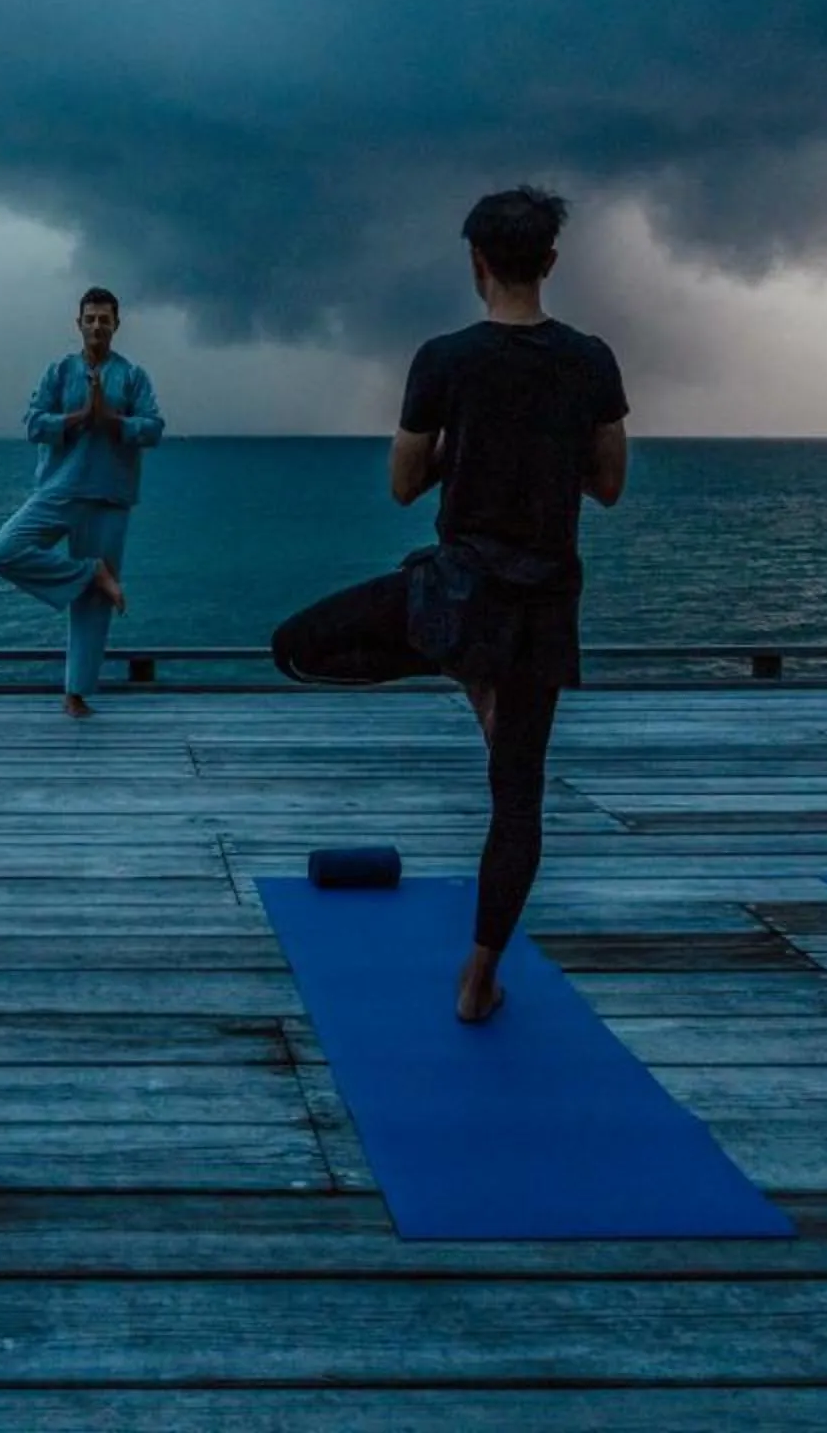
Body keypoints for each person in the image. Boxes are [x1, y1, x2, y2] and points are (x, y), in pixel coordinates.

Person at [269, 187, 628, 1024]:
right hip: (540, 606)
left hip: (457, 596)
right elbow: (607, 484)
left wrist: (461, 453)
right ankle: (480, 975)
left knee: (295, 646)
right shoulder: (592, 360)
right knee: (518, 798)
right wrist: (541, 454)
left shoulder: (443, 358)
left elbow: (402, 485)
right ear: (550, 262)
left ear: (475, 263)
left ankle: (454, 661)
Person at [0, 287, 164, 718]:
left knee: (94, 603)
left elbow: (154, 427)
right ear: (78, 323)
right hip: (59, 490)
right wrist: (80, 418)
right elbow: (33, 424)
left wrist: (112, 421)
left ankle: (76, 694)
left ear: (116, 325)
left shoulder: (133, 375)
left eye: (105, 319)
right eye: (91, 318)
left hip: (109, 494)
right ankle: (90, 572)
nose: (98, 325)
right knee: (4, 552)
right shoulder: (59, 371)